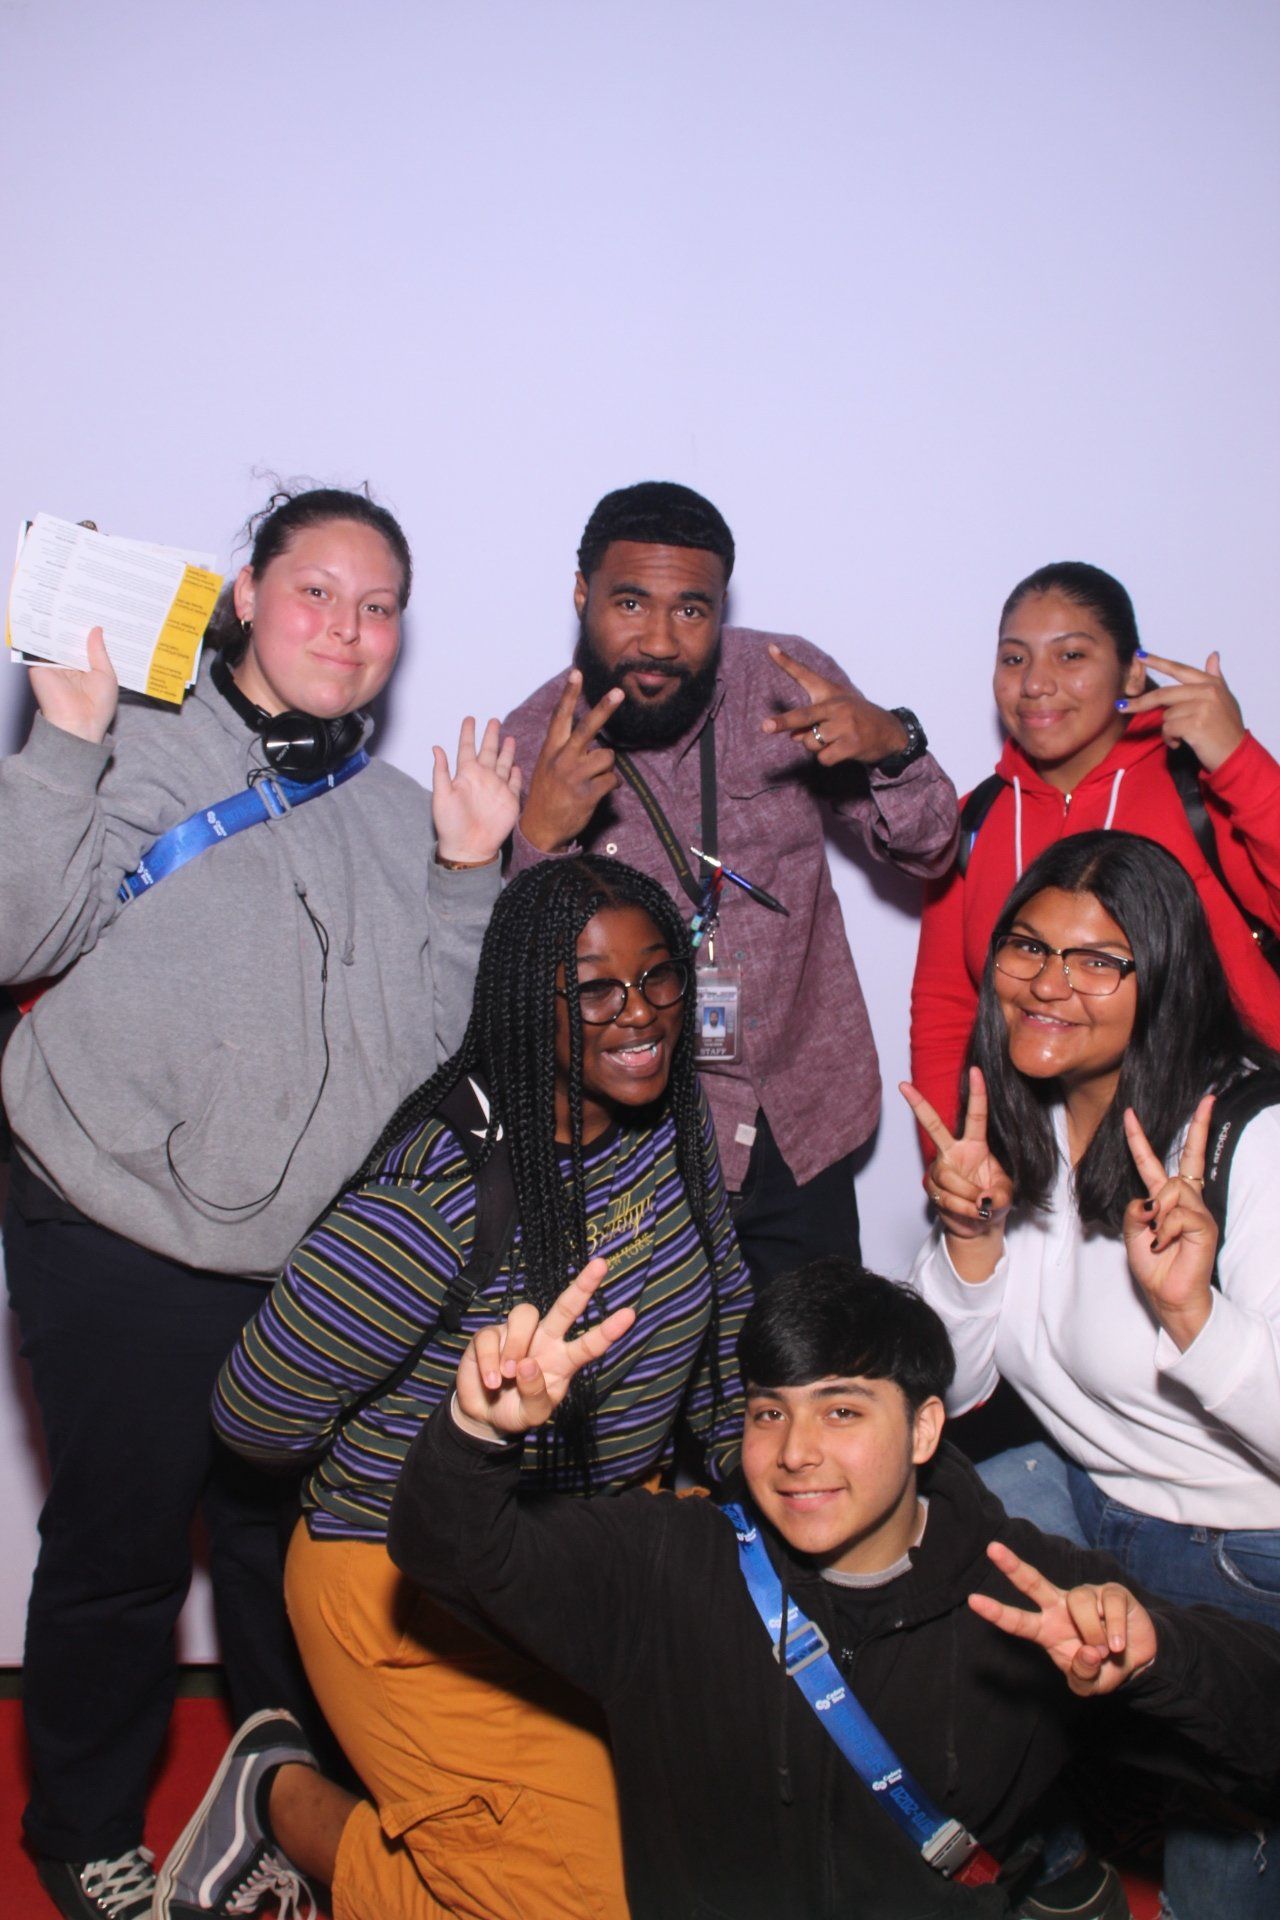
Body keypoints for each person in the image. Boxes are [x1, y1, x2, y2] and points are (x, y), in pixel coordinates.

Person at [0, 486, 521, 1920]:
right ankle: (83, 1831)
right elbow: (17, 934)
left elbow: (440, 1057)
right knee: (119, 1556)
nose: (346, 628)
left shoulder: (407, 814)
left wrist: (467, 876)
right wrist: (66, 741)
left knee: (285, 1559)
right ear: (245, 595)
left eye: (377, 606)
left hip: (307, 1269)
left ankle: (282, 1806)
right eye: (315, 592)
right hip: (114, 1226)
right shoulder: (133, 735)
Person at [157, 855, 752, 1920]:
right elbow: (253, 1413)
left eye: (659, 976)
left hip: (592, 1547)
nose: (640, 1014)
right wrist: (457, 1428)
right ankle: (282, 1802)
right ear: (528, 1002)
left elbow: (724, 1293)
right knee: (582, 1904)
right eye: (595, 990)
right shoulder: (441, 1197)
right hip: (404, 1579)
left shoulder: (671, 1114)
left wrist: (742, 1469)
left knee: (726, 1838)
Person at [375, 1261, 1279, 1919]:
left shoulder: (1029, 1594)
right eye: (769, 1411)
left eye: (842, 1410)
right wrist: (476, 1433)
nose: (795, 1451)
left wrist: (1158, 1659)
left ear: (924, 1429)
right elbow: (447, 1551)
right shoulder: (667, 1567)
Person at [904, 829, 1280, 1916]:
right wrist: (969, 1241)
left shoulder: (1248, 1141)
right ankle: (1054, 1856)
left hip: (1243, 1553)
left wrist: (1193, 1315)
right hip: (1090, 1495)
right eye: (1027, 947)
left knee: (1217, 1879)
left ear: (1161, 976)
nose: (1047, 984)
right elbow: (949, 1391)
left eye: (1096, 961)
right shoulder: (1020, 1114)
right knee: (915, 1524)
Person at [502, 480, 959, 1288]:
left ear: (721, 606)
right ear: (581, 595)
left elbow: (930, 851)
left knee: (820, 1361)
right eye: (630, 603)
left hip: (802, 1121)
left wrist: (895, 744)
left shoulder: (782, 683)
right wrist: (539, 839)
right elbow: (515, 993)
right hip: (637, 1151)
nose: (659, 640)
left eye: (691, 609)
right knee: (658, 1371)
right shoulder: (533, 742)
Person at [910, 560, 1280, 1133]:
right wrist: (953, 1154)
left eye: (1071, 655)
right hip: (1046, 1158)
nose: (1035, 683)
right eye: (1014, 659)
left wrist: (1237, 761)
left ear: (1133, 674)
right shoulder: (972, 821)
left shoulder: (1201, 791)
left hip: (1227, 1136)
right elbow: (948, 1010)